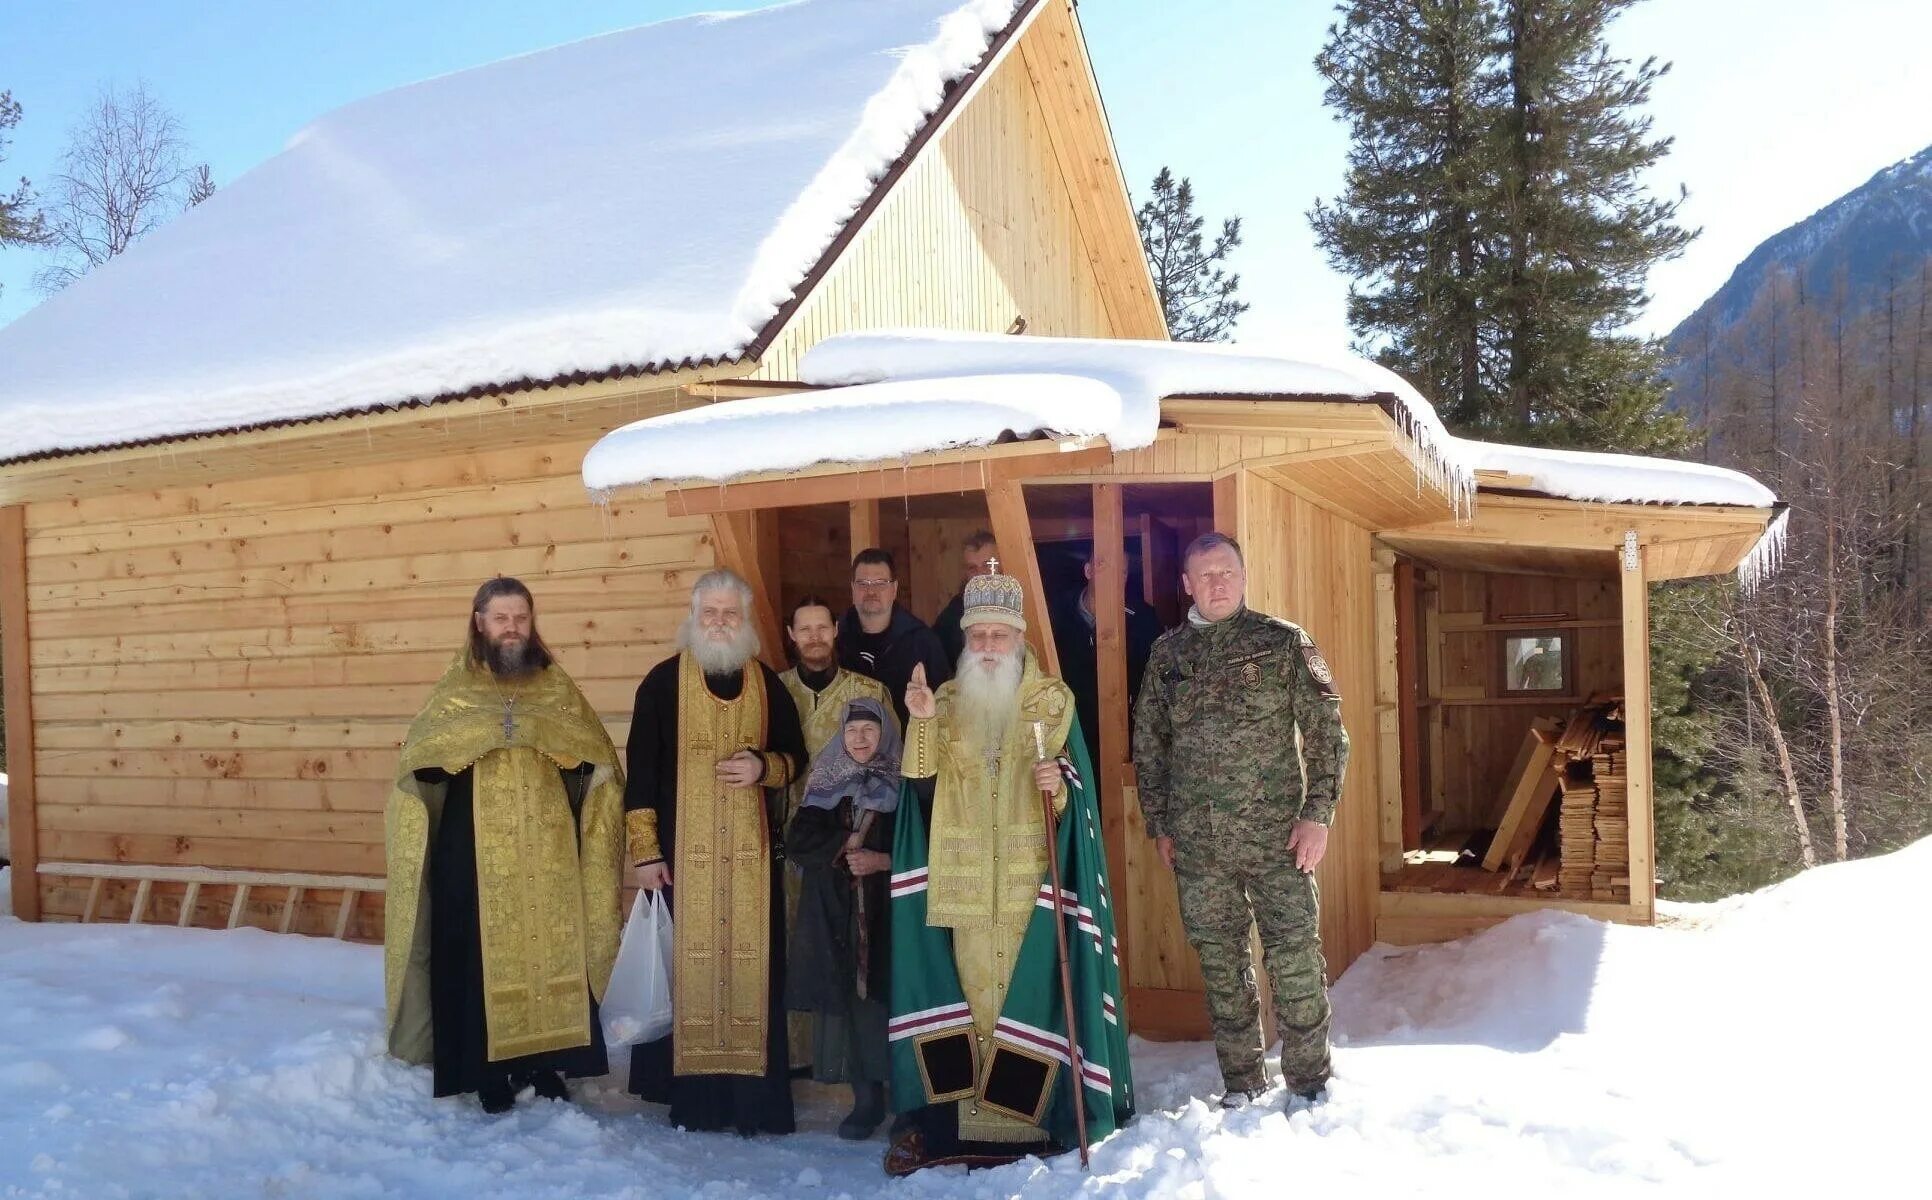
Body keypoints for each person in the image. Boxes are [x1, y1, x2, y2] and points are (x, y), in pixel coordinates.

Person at [384, 577, 625, 1114]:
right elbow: (418, 763)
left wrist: (573, 758)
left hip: (549, 847)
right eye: (501, 618)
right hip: (473, 849)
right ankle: (487, 1071)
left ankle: (546, 1062)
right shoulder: (455, 692)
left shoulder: (555, 688)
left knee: (551, 948)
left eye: (520, 617)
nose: (512, 627)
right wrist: (453, 755)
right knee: (474, 953)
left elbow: (595, 756)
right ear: (480, 623)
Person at [1131, 532, 1350, 1109]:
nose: (1218, 583)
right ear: (1187, 585)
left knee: (1295, 959)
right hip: (1198, 846)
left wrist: (1317, 816)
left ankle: (1309, 1083)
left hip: (1279, 840)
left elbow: (1328, 734)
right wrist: (1160, 824)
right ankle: (1242, 1083)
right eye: (1205, 575)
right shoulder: (1168, 655)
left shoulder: (1281, 643)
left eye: (1227, 571)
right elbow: (1150, 746)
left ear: (1244, 575)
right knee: (1222, 968)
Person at [887, 571, 1076, 1169]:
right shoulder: (944, 700)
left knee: (1026, 995)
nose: (990, 645)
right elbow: (920, 778)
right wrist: (918, 718)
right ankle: (964, 1125)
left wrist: (1061, 788)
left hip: (1027, 873)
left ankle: (1030, 1124)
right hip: (964, 873)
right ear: (966, 641)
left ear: (1018, 639)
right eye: (980, 636)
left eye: (1000, 635)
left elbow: (1073, 787)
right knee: (967, 997)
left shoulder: (1052, 700)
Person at [623, 569, 807, 1136]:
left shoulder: (768, 684)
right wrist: (646, 854)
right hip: (682, 862)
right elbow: (642, 775)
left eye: (731, 614)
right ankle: (692, 1100)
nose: (720, 623)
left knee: (754, 978)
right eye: (711, 613)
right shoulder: (660, 684)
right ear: (694, 616)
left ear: (745, 620)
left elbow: (794, 758)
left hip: (752, 865)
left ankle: (755, 1104)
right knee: (687, 973)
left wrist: (763, 766)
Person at [776, 594, 894, 1072]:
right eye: (804, 629)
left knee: (859, 945)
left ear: (836, 630)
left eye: (822, 628)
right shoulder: (775, 689)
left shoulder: (868, 690)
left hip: (861, 836)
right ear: (791, 635)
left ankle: (857, 1066)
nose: (814, 638)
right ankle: (802, 1055)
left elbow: (892, 762)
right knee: (798, 937)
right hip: (798, 833)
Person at [784, 697, 901, 1140]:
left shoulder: (904, 783)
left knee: (890, 1002)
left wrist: (880, 860)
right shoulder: (825, 781)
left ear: (885, 734)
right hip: (837, 916)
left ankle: (907, 1105)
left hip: (889, 914)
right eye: (852, 731)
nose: (860, 738)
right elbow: (799, 840)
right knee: (851, 1005)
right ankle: (866, 1101)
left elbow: (923, 844)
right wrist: (843, 842)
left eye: (870, 730)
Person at [1047, 546, 1165, 774]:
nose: (1114, 577)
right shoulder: (1055, 614)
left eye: (1122, 572)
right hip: (1069, 735)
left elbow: (1156, 685)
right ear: (1088, 570)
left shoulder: (1143, 618)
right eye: (1104, 568)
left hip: (1124, 738)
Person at [839, 548, 952, 728]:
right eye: (863, 583)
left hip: (907, 750)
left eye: (880, 583)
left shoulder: (923, 642)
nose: (871, 591)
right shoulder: (836, 640)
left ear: (894, 589)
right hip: (849, 751)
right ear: (852, 588)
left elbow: (943, 704)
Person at [932, 530, 999, 666]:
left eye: (987, 566)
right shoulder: (952, 617)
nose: (980, 575)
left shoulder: (1021, 605)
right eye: (972, 568)